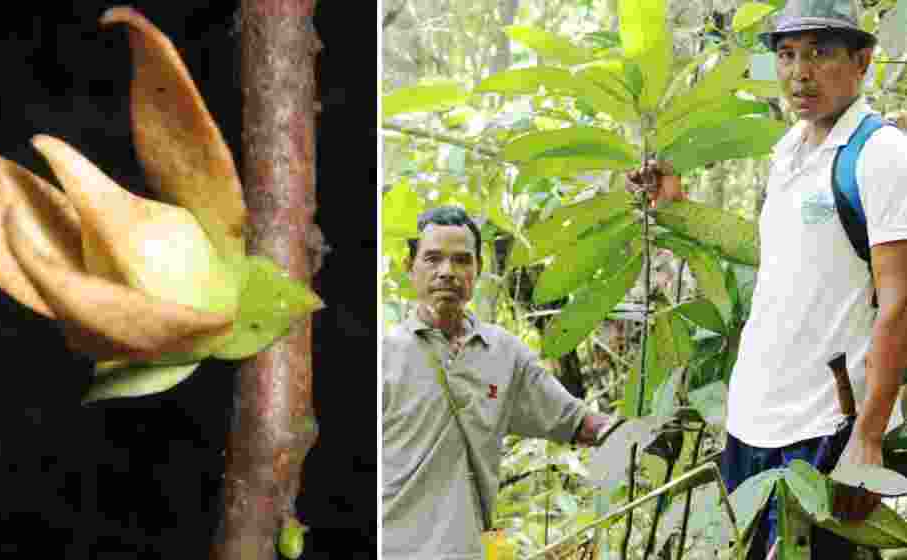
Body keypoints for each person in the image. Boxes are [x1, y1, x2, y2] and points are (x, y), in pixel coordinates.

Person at [630, 1, 907, 557]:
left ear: (862, 61)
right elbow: (784, 260)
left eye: (820, 54)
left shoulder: (881, 156)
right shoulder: (789, 151)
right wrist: (681, 210)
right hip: (754, 420)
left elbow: (900, 302)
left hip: (826, 426)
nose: (800, 72)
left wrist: (868, 437)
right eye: (787, 55)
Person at [381, 206, 614, 559]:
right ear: (409, 266)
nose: (447, 272)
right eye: (432, 259)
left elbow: (577, 423)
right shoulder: (384, 356)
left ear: (478, 269)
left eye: (461, 260)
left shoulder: (504, 354)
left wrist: (642, 434)